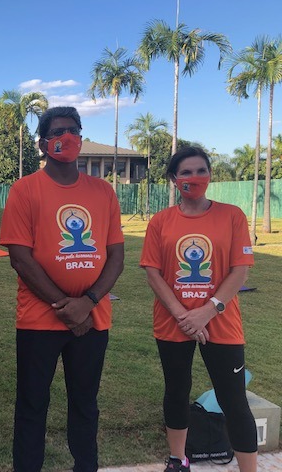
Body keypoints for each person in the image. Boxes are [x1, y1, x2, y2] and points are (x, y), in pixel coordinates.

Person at [0, 106, 125, 472]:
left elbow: (116, 256)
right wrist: (65, 306)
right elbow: (20, 258)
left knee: (85, 405)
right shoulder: (25, 190)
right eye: (57, 132)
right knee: (32, 405)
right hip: (39, 320)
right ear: (43, 144)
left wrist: (88, 302)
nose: (66, 137)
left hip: (92, 320)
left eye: (73, 130)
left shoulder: (103, 191)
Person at [140, 146, 257, 472]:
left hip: (221, 322)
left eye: (201, 170)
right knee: (177, 391)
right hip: (172, 323)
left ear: (210, 174)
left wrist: (207, 310)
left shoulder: (232, 216)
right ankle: (178, 460)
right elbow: (153, 273)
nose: (195, 177)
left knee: (234, 400)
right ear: (174, 179)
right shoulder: (161, 221)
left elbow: (240, 271)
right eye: (186, 172)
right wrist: (183, 316)